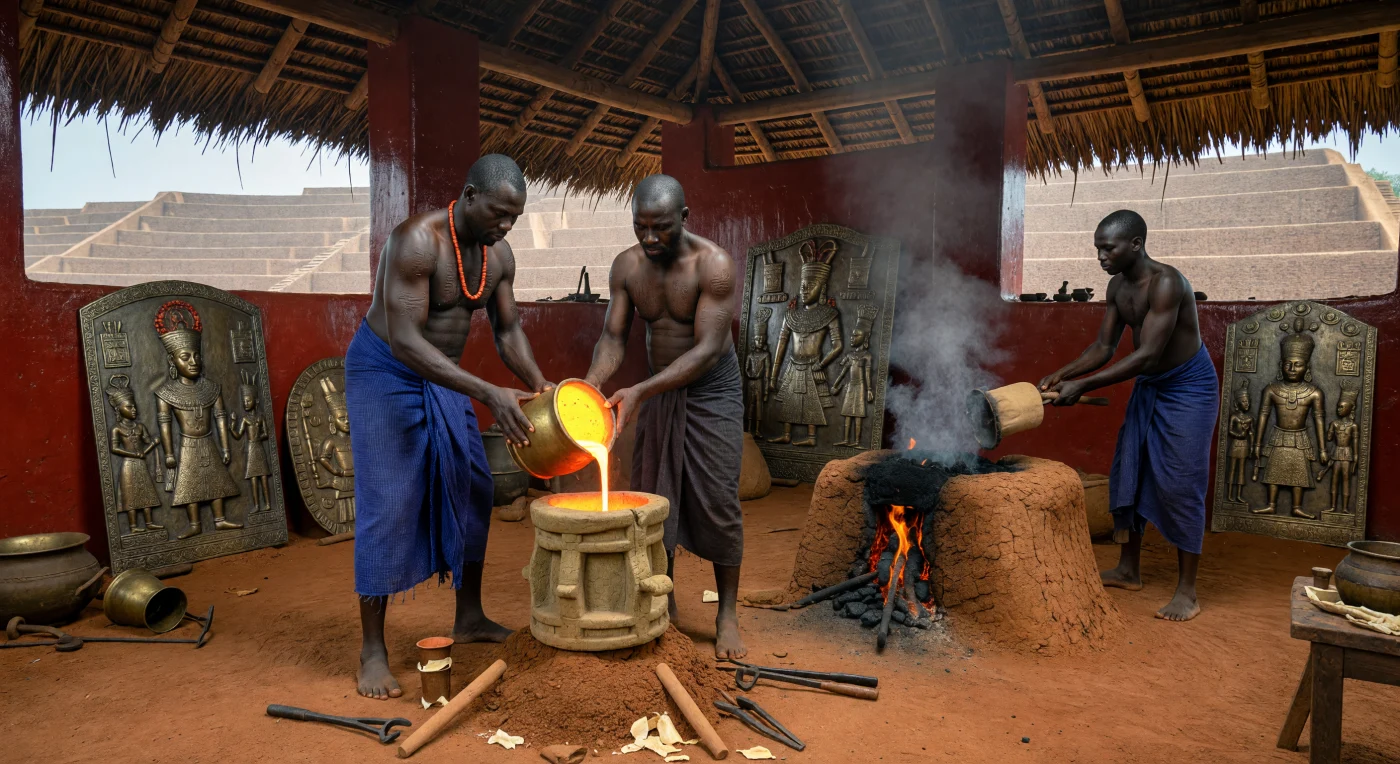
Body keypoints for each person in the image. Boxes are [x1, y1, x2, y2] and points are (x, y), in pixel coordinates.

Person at [345, 154, 552, 700]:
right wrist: (485, 391)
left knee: (476, 486)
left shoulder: (497, 256)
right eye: (500, 213)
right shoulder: (416, 241)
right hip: (386, 369)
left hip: (444, 375)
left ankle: (470, 615)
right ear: (469, 194)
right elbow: (407, 340)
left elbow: (508, 332)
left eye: (515, 216)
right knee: (389, 502)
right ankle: (372, 650)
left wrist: (542, 386)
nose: (507, 226)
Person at [584, 174, 747, 659]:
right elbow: (613, 339)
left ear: (684, 218)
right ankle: (665, 602)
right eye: (641, 227)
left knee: (718, 501)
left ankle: (727, 614)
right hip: (658, 391)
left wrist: (640, 390)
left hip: (712, 392)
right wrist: (591, 386)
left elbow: (707, 351)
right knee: (657, 499)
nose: (650, 238)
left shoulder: (713, 266)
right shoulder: (627, 267)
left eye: (661, 228)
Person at [1038, 209, 1218, 622]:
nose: (1100, 256)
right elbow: (1103, 348)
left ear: (1135, 244)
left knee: (1181, 482)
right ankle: (1128, 569)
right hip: (1151, 384)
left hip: (1188, 387)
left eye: (1108, 248)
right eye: (1098, 248)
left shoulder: (1167, 282)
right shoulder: (1117, 286)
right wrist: (1062, 373)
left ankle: (1187, 592)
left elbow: (1149, 354)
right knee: (1129, 470)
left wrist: (1082, 386)